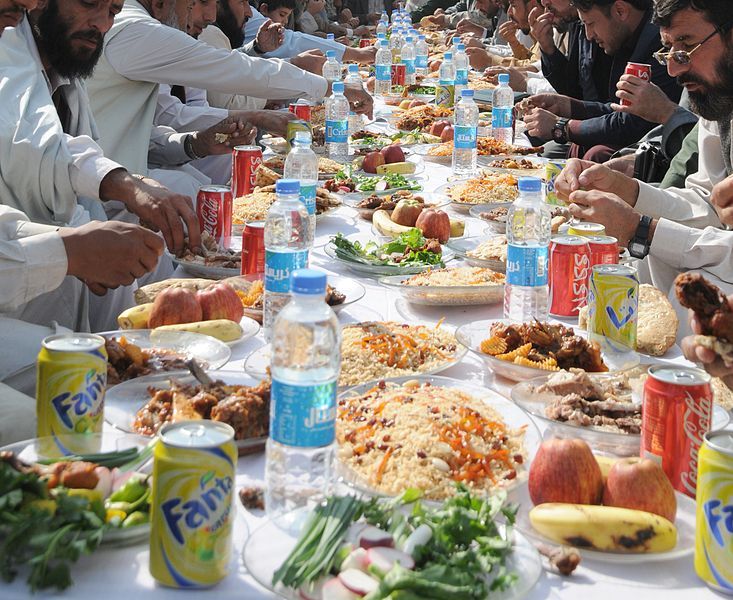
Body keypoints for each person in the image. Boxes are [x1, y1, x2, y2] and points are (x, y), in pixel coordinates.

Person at [554, 0, 733, 333]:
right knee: (654, 255)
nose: (675, 69)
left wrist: (640, 229)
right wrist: (625, 190)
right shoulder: (720, 95)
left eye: (688, 47)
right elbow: (705, 204)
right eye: (669, 51)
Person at [87, 0, 372, 184]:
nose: (209, 16)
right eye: (195, 5)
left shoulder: (142, 30)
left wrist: (196, 143)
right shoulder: (138, 30)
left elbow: (164, 116)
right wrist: (329, 87)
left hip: (125, 170)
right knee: (189, 189)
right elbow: (236, 69)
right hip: (104, 184)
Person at [524, 0, 681, 162]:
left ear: (620, 11)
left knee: (596, 155)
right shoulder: (622, 35)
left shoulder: (656, 44)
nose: (588, 35)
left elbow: (632, 122)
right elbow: (616, 107)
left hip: (656, 148)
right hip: (615, 134)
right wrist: (568, 106)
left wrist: (563, 127)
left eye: (590, 24)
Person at [465, 0, 543, 70]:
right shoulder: (535, 30)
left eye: (513, 5)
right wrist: (514, 44)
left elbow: (535, 68)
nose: (509, 12)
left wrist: (490, 58)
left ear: (533, 6)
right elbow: (531, 58)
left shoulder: (549, 32)